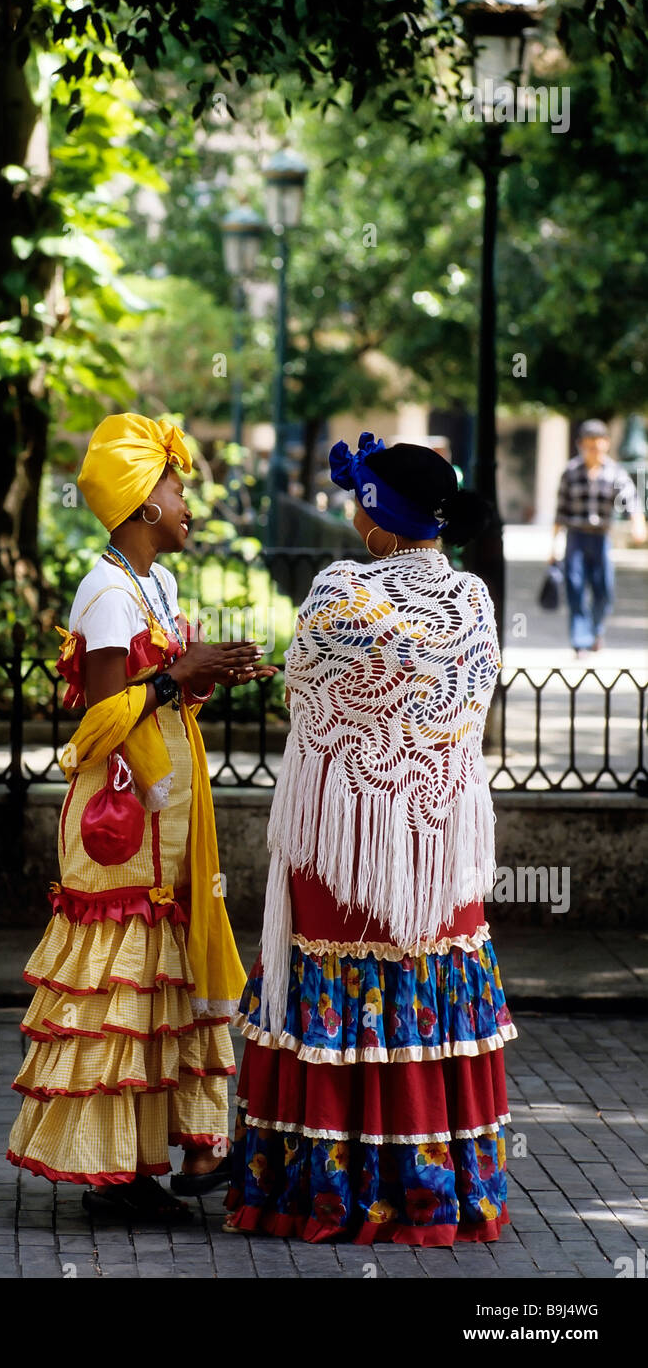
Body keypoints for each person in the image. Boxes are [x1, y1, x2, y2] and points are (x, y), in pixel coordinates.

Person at [224, 431, 517, 1245]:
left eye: (359, 505)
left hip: (343, 847)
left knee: (334, 991)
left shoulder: (336, 592)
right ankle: (435, 1194)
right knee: (429, 987)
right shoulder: (473, 601)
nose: (354, 520)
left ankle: (319, 1193)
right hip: (435, 851)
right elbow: (460, 715)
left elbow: (304, 697)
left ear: (379, 518)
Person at [6, 412, 275, 1222]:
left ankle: (177, 1154)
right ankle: (116, 1178)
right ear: (138, 500)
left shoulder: (152, 584)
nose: (187, 497)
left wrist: (200, 678)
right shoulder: (108, 591)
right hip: (121, 826)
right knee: (124, 977)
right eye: (174, 483)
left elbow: (152, 695)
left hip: (166, 817)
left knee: (165, 973)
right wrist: (174, 678)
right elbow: (96, 720)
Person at [551, 419, 646, 657]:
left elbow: (630, 500)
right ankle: (580, 640)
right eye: (589, 443)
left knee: (604, 589)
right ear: (581, 444)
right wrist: (553, 547)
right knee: (575, 587)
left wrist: (638, 523)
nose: (594, 448)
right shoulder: (571, 472)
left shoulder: (614, 472)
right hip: (576, 537)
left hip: (601, 537)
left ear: (606, 443)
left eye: (598, 442)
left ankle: (596, 631)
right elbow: (560, 512)